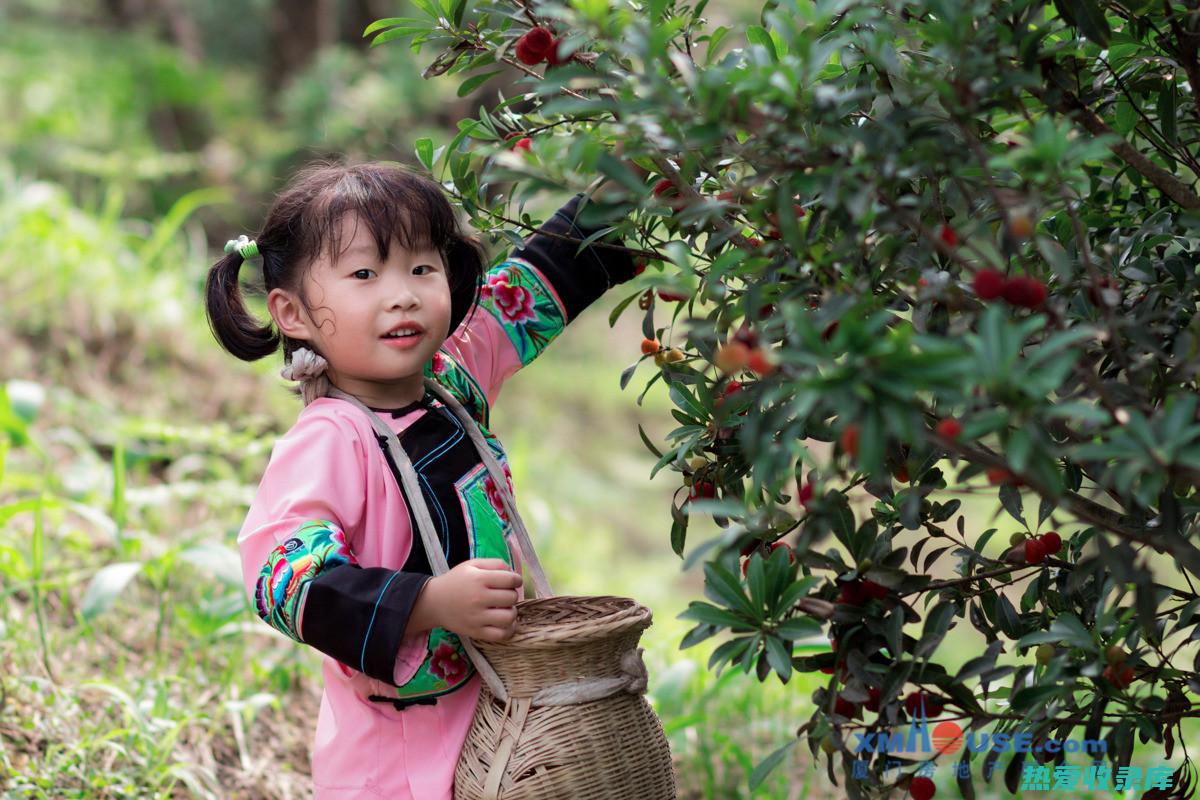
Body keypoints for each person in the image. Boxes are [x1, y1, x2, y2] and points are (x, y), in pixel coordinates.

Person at [203, 158, 642, 798]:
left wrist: (637, 187)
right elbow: (283, 577)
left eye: (421, 267)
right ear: (291, 312)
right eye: (363, 274)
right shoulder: (330, 439)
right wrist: (429, 603)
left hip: (498, 716)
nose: (401, 293)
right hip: (393, 756)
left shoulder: (451, 382)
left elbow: (539, 281)